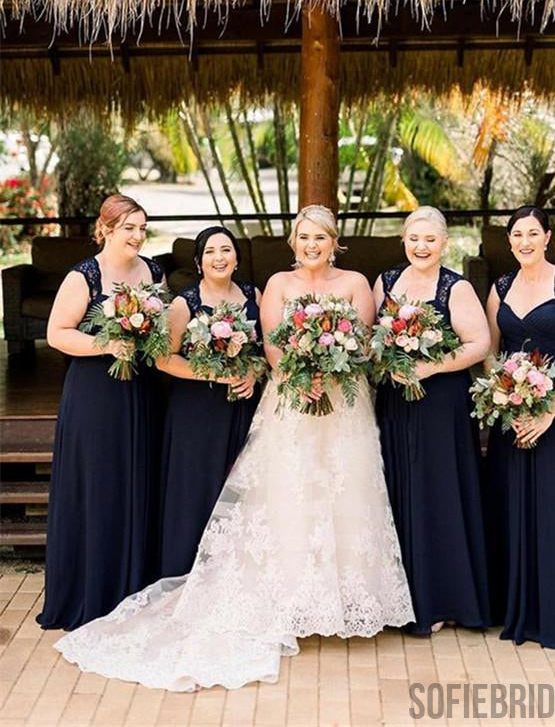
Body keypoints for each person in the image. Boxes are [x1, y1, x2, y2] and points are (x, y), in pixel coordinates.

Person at [53, 204, 415, 690]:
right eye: (304, 238)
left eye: (320, 238)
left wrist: (331, 370)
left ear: (334, 242)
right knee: (286, 496)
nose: (312, 245)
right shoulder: (272, 288)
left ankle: (344, 601)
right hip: (289, 399)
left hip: (343, 405)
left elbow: (366, 339)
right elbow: (270, 344)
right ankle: (289, 598)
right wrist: (292, 372)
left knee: (346, 495)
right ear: (293, 243)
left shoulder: (350, 284)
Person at [37, 194, 164, 630]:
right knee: (100, 486)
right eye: (129, 227)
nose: (137, 236)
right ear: (106, 229)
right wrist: (106, 344)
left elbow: (160, 327)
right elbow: (57, 334)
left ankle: (134, 587)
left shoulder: (153, 272)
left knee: (137, 482)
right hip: (95, 395)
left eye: (142, 228)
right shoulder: (84, 276)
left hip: (141, 391)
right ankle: (94, 591)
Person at [484, 206, 555, 650]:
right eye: (517, 234)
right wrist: (506, 396)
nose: (525, 241)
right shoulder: (500, 288)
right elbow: (493, 352)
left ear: (547, 237)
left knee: (554, 510)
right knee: (513, 507)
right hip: (511, 412)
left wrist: (548, 409)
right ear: (509, 240)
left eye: (533, 233)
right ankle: (518, 609)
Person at [374, 206, 491, 635]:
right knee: (400, 489)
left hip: (440, 403)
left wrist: (431, 366)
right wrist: (386, 359)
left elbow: (480, 343)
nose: (421, 247)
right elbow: (370, 336)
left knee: (439, 492)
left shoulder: (454, 288)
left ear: (443, 243)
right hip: (396, 400)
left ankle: (445, 599)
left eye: (429, 240)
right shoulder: (386, 282)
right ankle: (404, 601)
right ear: (403, 240)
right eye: (414, 239)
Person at [156, 226, 261, 578]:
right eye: (211, 252)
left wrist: (253, 373)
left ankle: (231, 577)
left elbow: (265, 350)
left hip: (243, 408)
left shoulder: (252, 294)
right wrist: (214, 375)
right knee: (196, 489)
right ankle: (185, 573)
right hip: (196, 412)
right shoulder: (185, 302)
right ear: (199, 262)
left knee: (239, 491)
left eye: (226, 250)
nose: (219, 257)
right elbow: (164, 359)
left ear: (236, 258)